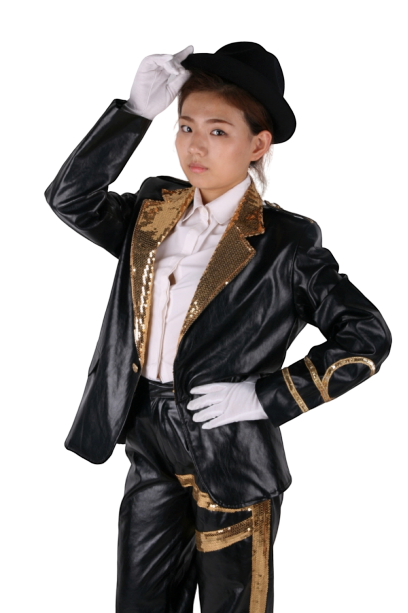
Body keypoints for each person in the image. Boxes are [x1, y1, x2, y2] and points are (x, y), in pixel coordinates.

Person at [44, 43, 392, 613]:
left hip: (228, 445)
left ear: (258, 145)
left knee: (230, 601)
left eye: (218, 131)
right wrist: (135, 111)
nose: (194, 145)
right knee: (139, 598)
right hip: (145, 432)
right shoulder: (153, 210)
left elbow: (368, 335)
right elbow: (69, 198)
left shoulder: (286, 241)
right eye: (184, 127)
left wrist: (265, 397)